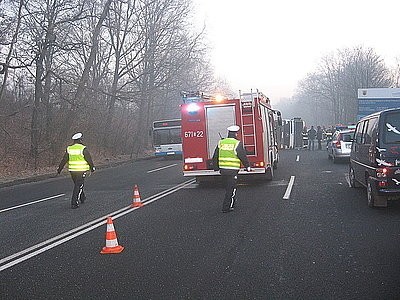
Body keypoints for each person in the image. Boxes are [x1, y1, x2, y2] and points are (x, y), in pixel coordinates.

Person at [212, 125, 250, 213]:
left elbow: (215, 156)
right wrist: (247, 166)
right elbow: (242, 156)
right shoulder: (237, 143)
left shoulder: (221, 142)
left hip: (223, 170)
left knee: (227, 188)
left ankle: (230, 203)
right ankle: (227, 207)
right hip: (232, 170)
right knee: (231, 189)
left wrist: (216, 167)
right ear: (236, 134)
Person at [57, 132, 95, 209]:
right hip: (81, 170)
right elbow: (89, 159)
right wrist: (92, 167)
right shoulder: (83, 148)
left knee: (77, 185)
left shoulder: (69, 148)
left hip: (72, 171)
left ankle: (82, 197)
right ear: (80, 140)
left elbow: (64, 160)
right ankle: (74, 202)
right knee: (79, 185)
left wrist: (59, 169)